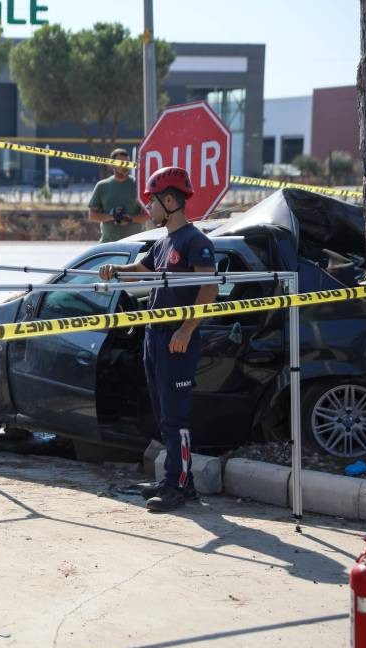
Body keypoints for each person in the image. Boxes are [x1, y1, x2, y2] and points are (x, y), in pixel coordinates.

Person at [98, 167, 218, 512]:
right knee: (162, 414)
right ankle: (179, 479)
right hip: (155, 336)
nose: (147, 210)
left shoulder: (196, 242)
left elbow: (208, 288)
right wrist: (115, 270)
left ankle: (176, 487)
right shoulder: (164, 242)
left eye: (152, 203)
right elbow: (144, 269)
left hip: (177, 339)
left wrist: (186, 329)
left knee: (176, 418)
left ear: (169, 201)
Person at [88, 147, 148, 243]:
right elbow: (92, 215)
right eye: (121, 163)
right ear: (112, 165)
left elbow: (148, 215)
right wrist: (112, 216)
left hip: (135, 244)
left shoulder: (139, 186)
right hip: (108, 245)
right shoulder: (102, 186)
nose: (125, 166)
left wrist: (129, 219)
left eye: (127, 162)